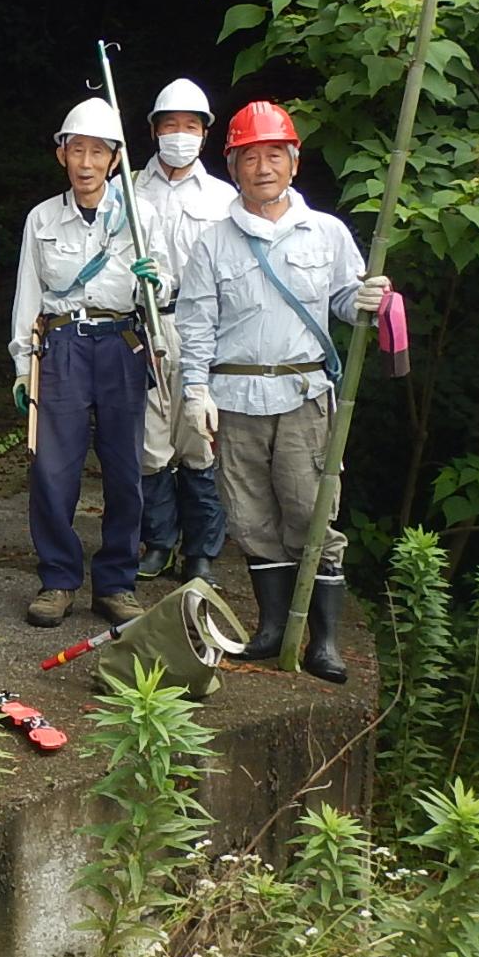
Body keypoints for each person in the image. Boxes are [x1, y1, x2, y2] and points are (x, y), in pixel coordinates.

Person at [176, 102, 389, 684]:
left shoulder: (327, 232)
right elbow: (195, 322)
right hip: (236, 397)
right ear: (234, 166)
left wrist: (366, 301)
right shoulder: (214, 242)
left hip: (303, 395)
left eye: (274, 155)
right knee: (250, 518)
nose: (262, 167)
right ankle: (271, 629)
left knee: (312, 515)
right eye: (250, 157)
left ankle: (323, 642)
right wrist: (195, 389)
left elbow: (344, 300)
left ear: (294, 162)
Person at [9, 97, 172, 629]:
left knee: (126, 469)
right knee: (53, 468)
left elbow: (168, 288)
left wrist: (157, 281)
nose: (85, 162)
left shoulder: (141, 217)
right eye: (75, 149)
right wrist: (19, 364)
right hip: (62, 344)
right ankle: (58, 578)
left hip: (122, 341)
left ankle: (117, 583)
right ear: (61, 154)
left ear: (114, 158)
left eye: (96, 152)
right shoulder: (41, 218)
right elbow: (27, 295)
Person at [133, 78, 236, 585]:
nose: (180, 135)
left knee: (200, 440)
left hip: (202, 328)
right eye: (170, 125)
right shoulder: (129, 189)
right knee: (150, 444)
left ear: (205, 134)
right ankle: (158, 542)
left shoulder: (225, 198)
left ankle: (202, 552)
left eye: (190, 126)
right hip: (144, 326)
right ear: (154, 131)